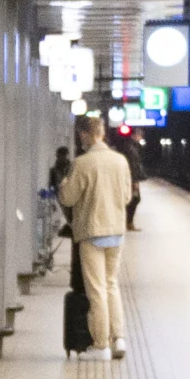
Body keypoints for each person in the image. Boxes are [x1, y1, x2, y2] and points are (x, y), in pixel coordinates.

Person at [55, 116, 136, 358]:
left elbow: (68, 198)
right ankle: (118, 338)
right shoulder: (120, 161)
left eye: (81, 135)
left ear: (87, 135)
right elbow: (127, 198)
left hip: (92, 232)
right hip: (116, 232)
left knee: (97, 289)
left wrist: (63, 184)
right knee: (112, 284)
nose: (80, 139)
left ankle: (100, 345)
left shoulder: (83, 163)